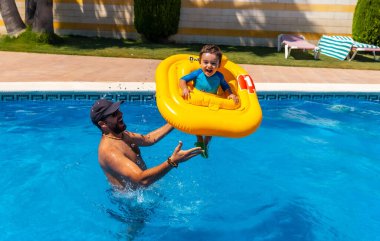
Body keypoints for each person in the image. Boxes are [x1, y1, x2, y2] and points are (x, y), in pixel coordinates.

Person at [90, 99, 203, 190]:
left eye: (118, 110)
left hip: (142, 193)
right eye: (114, 114)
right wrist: (172, 161)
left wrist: (176, 120)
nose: (120, 114)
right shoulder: (110, 152)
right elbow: (141, 180)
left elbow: (149, 139)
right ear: (103, 124)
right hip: (131, 205)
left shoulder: (121, 135)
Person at [179, 44, 239, 158]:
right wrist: (185, 88)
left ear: (218, 65)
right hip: (197, 102)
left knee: (211, 128)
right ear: (200, 62)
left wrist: (230, 94)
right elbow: (182, 80)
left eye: (213, 63)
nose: (209, 66)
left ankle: (205, 145)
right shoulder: (198, 73)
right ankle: (199, 138)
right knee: (198, 124)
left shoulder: (220, 76)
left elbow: (226, 87)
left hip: (211, 103)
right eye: (205, 62)